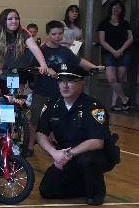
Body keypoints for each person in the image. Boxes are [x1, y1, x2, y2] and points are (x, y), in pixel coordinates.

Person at [36, 66, 112, 206]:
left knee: (87, 161)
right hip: (63, 155)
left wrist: (68, 154)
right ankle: (82, 185)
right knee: (46, 191)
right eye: (61, 81)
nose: (64, 86)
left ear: (81, 82)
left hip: (88, 154)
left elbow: (97, 142)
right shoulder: (52, 105)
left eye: (70, 81)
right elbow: (41, 133)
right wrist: (54, 153)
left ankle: (96, 193)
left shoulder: (93, 107)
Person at [28, 21, 103, 151]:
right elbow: (32, 68)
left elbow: (79, 61)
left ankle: (57, 146)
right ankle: (30, 146)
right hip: (42, 92)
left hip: (59, 93)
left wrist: (94, 67)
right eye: (54, 34)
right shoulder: (41, 50)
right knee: (35, 120)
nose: (58, 37)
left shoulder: (65, 51)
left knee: (58, 120)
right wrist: (46, 68)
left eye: (60, 33)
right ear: (48, 35)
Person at [0, 8, 51, 73]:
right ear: (4, 21)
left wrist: (43, 65)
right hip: (0, 71)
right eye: (10, 19)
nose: (14, 21)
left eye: (16, 19)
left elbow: (34, 48)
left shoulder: (23, 31)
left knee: (16, 86)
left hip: (16, 70)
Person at [97, 0, 134, 111]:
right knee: (112, 79)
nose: (116, 9)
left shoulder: (125, 23)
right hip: (108, 53)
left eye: (119, 7)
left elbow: (131, 38)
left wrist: (121, 50)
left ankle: (114, 104)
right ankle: (124, 99)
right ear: (110, 8)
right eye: (114, 6)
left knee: (120, 80)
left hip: (124, 53)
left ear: (122, 10)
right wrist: (113, 51)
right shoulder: (103, 23)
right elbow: (102, 41)